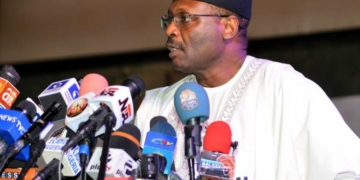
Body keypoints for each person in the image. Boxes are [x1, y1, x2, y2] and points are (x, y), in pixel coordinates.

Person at [134, 0, 360, 179]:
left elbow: (346, 172)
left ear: (228, 27)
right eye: (170, 20)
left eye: (184, 18)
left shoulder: (284, 89)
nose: (170, 30)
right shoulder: (156, 107)